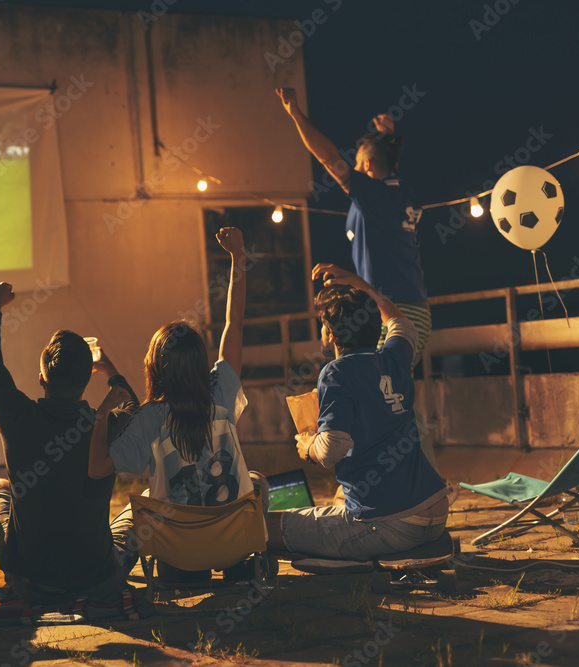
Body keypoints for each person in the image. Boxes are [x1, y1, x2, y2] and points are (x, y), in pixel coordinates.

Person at [88, 227, 267, 582]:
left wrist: (99, 415)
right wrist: (237, 257)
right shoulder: (221, 395)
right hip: (232, 546)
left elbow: (96, 469)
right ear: (202, 362)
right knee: (256, 481)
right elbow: (235, 322)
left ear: (155, 367)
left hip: (179, 558)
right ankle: (240, 567)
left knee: (143, 499)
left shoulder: (151, 417)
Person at [265, 264, 447, 560]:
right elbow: (401, 323)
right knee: (333, 509)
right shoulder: (395, 357)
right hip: (436, 512)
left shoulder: (336, 373)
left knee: (265, 527)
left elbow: (331, 451)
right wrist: (361, 285)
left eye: (323, 327)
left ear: (332, 336)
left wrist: (308, 444)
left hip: (389, 524)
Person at [0, 282, 139, 602]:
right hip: (99, 579)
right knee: (142, 508)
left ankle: (10, 563)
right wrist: (110, 371)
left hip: (30, 582)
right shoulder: (108, 425)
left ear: (42, 380)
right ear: (86, 380)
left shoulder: (16, 416)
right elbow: (132, 406)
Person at [275, 87, 430, 368]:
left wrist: (295, 114)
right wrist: (387, 137)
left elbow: (327, 157)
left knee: (374, 389)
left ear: (367, 164)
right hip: (410, 307)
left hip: (393, 308)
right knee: (384, 391)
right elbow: (386, 166)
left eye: (357, 163)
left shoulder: (373, 195)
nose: (352, 169)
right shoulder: (398, 193)